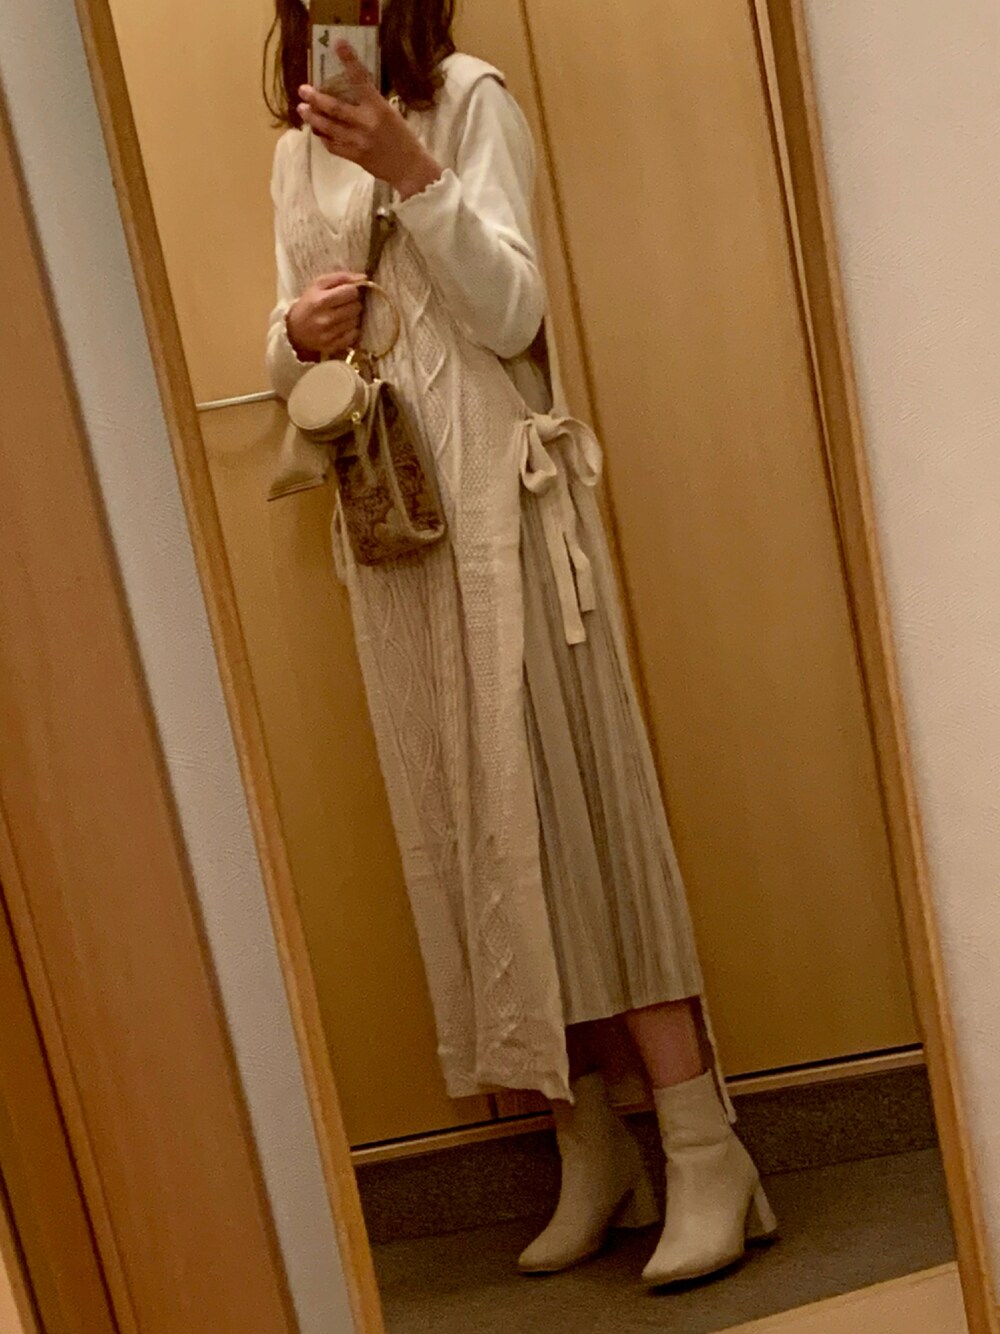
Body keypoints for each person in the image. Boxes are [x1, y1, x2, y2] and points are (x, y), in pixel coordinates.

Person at [263, 0, 775, 1286]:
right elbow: (291, 342)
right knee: (476, 836)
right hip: (394, 528)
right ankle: (588, 1142)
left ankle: (703, 1143)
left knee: (579, 817)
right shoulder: (293, 148)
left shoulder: (470, 98)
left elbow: (511, 314)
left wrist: (410, 170)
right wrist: (294, 336)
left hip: (504, 507)